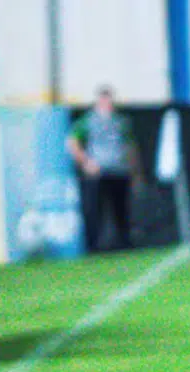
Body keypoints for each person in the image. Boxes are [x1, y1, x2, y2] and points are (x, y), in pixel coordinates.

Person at [66, 85, 143, 251]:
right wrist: (86, 162)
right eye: (104, 100)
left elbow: (130, 146)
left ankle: (125, 244)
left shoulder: (120, 121)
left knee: (121, 211)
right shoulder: (88, 120)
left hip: (119, 171)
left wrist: (134, 170)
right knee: (95, 211)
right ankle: (94, 248)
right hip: (99, 172)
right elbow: (72, 142)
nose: (107, 103)